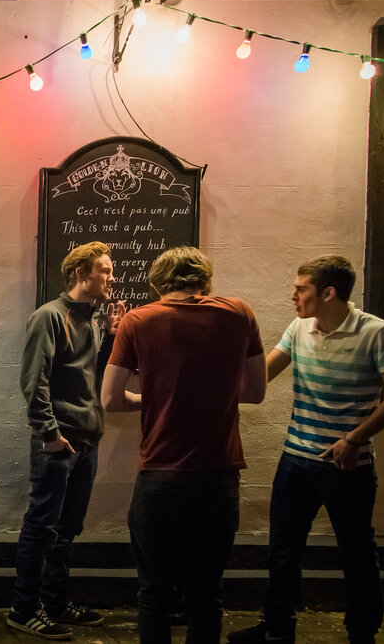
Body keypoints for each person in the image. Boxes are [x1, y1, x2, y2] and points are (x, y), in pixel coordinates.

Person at [228, 256, 384, 644]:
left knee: (356, 553)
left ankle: (362, 634)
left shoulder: (377, 333)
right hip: (296, 458)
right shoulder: (299, 328)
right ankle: (277, 628)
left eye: (301, 289)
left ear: (328, 292)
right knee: (282, 550)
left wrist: (355, 439)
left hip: (347, 464)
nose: (293, 295)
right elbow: (260, 378)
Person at [102, 246, 267, 644]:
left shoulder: (139, 320)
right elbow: (255, 391)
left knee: (154, 592)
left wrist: (154, 397)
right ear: (204, 279)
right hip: (218, 474)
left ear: (158, 282)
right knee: (206, 593)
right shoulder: (239, 313)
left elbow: (110, 399)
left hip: (161, 475)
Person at [8, 241, 124, 641]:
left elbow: (87, 375)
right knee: (41, 526)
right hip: (60, 440)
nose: (111, 277)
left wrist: (110, 337)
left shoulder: (91, 320)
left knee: (67, 528)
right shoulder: (49, 317)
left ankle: (55, 602)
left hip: (87, 437)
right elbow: (33, 379)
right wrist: (49, 433)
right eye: (105, 270)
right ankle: (23, 609)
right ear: (82, 273)